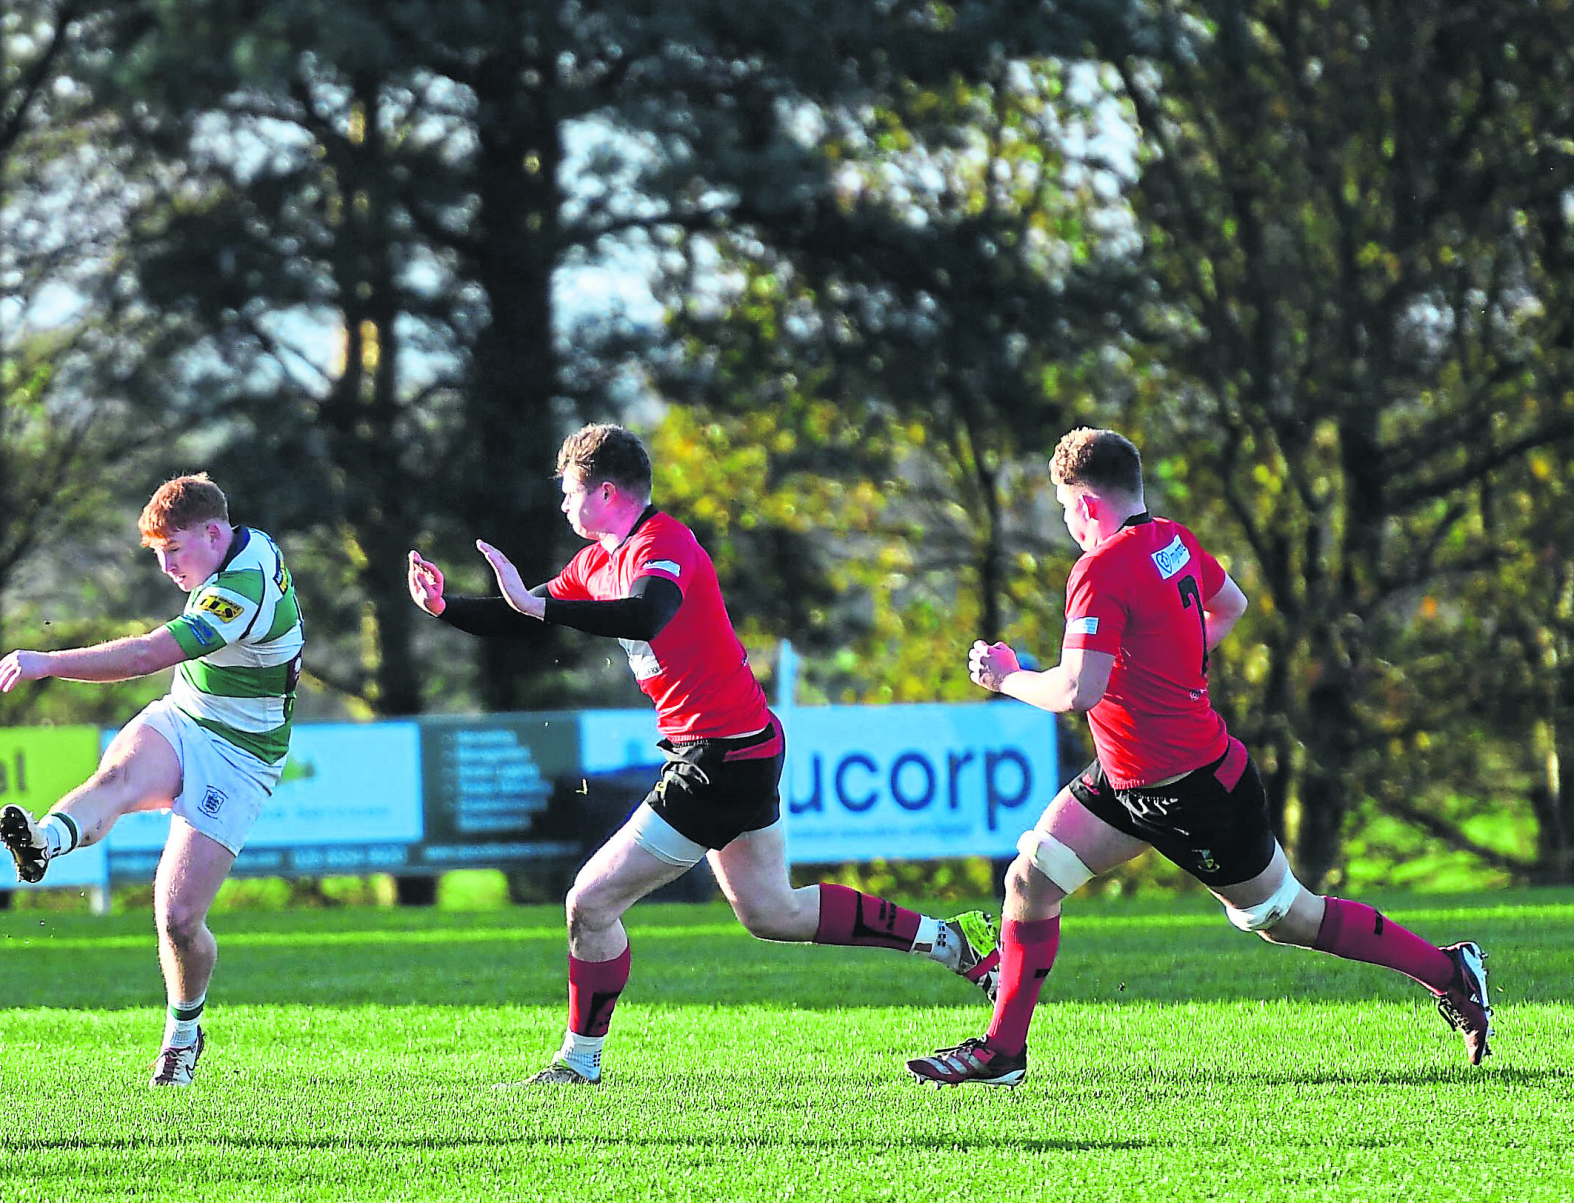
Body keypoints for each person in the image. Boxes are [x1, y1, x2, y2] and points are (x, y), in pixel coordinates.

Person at [407, 423, 1000, 1086]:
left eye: (570, 491)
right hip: (740, 746)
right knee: (773, 912)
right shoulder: (597, 561)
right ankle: (954, 941)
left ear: (606, 491)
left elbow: (647, 614)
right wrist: (443, 607)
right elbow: (520, 613)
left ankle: (579, 1063)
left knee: (589, 903)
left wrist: (537, 610)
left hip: (719, 758)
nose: (564, 506)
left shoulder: (665, 543)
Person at [907, 427, 1492, 1088]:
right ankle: (1002, 1053)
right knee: (1029, 882)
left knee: (1286, 918)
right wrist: (1168, 670)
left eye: (1067, 508)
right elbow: (1230, 606)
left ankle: (1451, 973)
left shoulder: (1099, 569)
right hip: (1125, 783)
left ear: (1089, 505)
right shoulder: (1173, 541)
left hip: (1199, 794)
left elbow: (1075, 691)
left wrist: (1006, 676)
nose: (1068, 522)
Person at [0, 473, 304, 1087]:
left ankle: (184, 1034)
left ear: (213, 534)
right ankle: (43, 843)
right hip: (186, 716)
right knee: (119, 776)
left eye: (173, 552)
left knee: (178, 919)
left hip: (242, 755)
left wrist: (46, 663)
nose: (166, 569)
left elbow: (142, 658)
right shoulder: (238, 544)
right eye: (159, 555)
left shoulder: (240, 590)